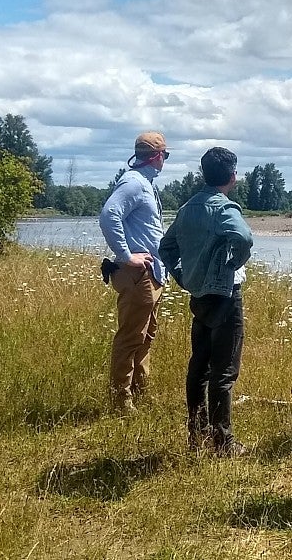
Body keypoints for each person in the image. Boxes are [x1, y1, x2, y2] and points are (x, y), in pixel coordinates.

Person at [159, 147, 254, 456]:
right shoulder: (224, 207)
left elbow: (167, 245)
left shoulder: (188, 208)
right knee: (224, 372)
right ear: (232, 176)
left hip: (198, 296)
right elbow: (243, 238)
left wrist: (183, 277)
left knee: (198, 367)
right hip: (226, 296)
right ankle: (223, 443)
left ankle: (196, 434)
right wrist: (233, 263)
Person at [99, 131, 170, 413]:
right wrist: (126, 256)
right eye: (165, 155)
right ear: (156, 156)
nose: (165, 160)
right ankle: (121, 401)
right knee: (131, 337)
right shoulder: (134, 183)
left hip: (152, 274)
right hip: (138, 276)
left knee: (147, 335)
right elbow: (109, 214)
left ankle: (140, 392)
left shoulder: (144, 183)